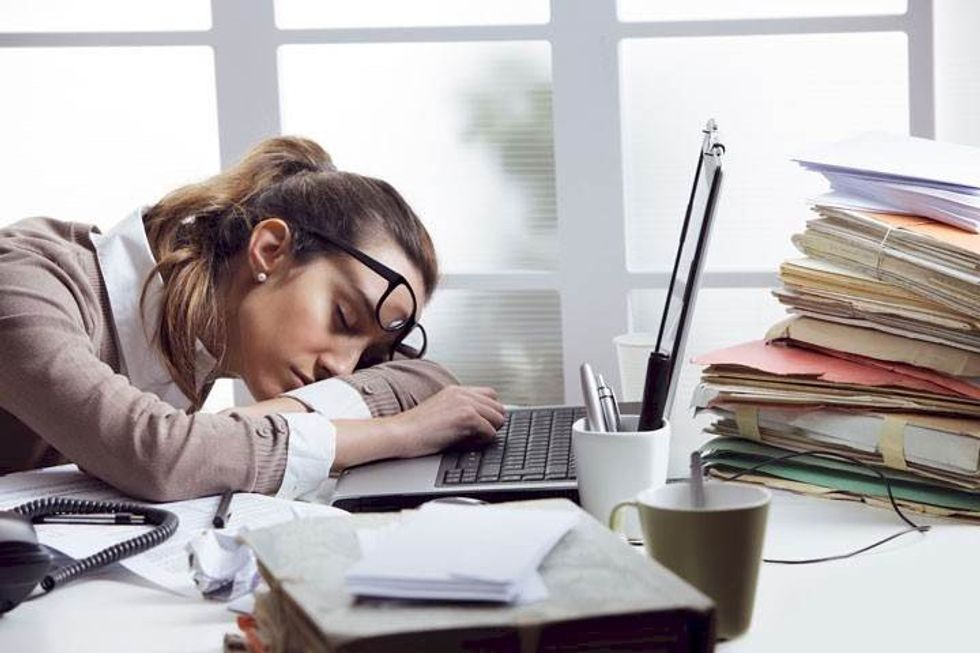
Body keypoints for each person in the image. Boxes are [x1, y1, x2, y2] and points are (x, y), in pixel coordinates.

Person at [0, 136, 506, 501]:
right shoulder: (25, 284)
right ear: (269, 250)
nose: (345, 368)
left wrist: (236, 431)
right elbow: (155, 457)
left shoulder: (190, 340)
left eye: (368, 351)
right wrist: (398, 434)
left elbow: (429, 381)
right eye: (344, 317)